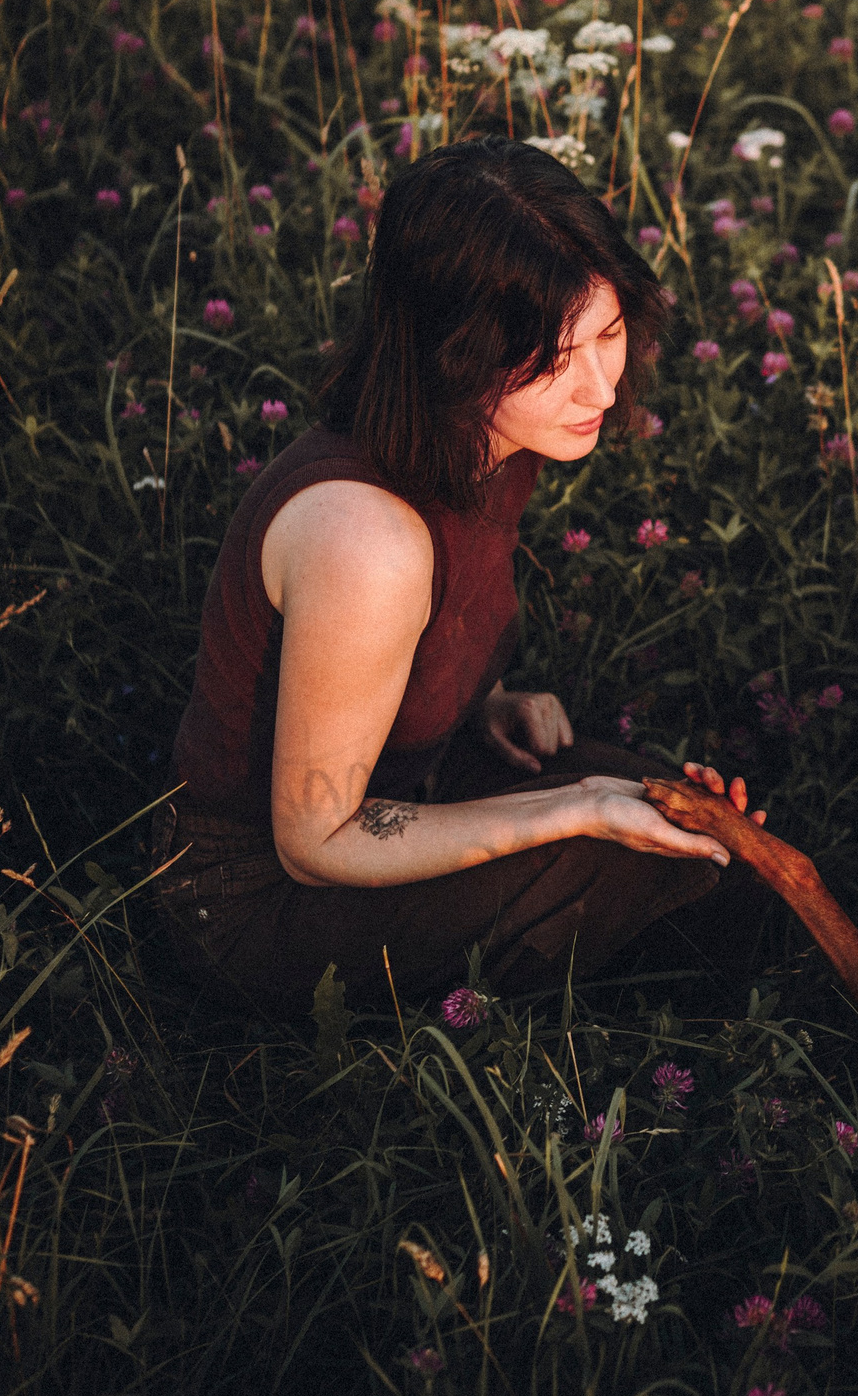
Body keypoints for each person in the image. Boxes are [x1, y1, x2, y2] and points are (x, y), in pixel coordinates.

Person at [149, 135, 770, 1018]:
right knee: (626, 849)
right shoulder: (367, 543)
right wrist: (569, 809)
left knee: (703, 835)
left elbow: (443, 614)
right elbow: (315, 839)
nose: (598, 384)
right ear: (458, 351)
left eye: (611, 332)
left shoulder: (495, 437)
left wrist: (485, 697)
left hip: (418, 779)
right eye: (557, 357)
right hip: (259, 898)